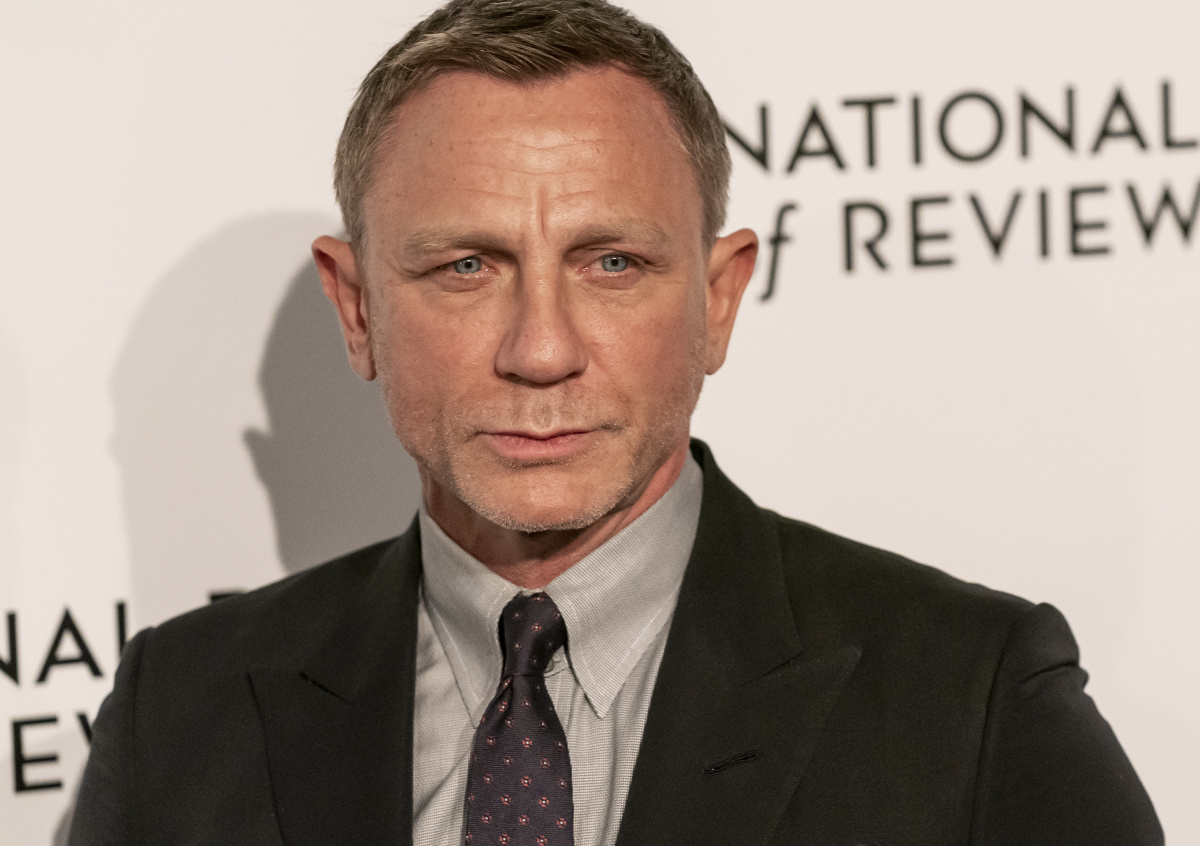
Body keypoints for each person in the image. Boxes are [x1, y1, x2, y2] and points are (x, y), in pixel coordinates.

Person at [69, 1, 1163, 844]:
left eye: (612, 263)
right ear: (357, 311)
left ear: (718, 300)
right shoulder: (181, 716)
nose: (541, 349)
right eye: (466, 266)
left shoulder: (972, 705)